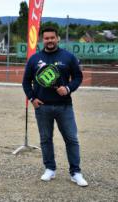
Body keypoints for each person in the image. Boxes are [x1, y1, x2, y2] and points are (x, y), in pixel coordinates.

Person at [22, 26, 87, 187]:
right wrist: (32, 98)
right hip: (42, 107)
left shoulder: (68, 57)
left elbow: (78, 77)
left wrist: (68, 88)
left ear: (58, 38)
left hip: (65, 106)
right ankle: (50, 169)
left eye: (52, 38)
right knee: (45, 139)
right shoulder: (34, 59)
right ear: (42, 40)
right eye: (46, 38)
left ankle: (75, 172)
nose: (49, 41)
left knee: (72, 139)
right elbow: (26, 81)